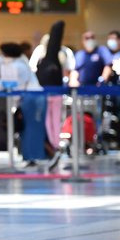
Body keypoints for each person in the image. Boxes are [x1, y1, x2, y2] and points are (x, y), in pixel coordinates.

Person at [0, 43, 46, 166]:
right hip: (26, 99)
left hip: (32, 98)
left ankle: (34, 157)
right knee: (26, 129)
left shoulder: (18, 65)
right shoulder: (16, 64)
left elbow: (11, 83)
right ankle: (29, 157)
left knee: (32, 129)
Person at [31, 21, 69, 155]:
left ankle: (55, 144)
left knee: (55, 119)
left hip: (56, 92)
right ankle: (53, 144)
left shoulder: (60, 55)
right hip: (45, 93)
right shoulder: (40, 55)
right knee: (49, 120)